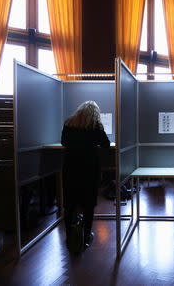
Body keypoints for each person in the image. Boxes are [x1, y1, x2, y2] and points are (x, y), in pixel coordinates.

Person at [61, 101, 110, 250]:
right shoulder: (95, 126)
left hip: (70, 169)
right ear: (95, 113)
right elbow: (106, 145)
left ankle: (69, 237)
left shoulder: (69, 123)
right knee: (88, 205)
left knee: (69, 205)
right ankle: (86, 237)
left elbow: (63, 142)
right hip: (89, 170)